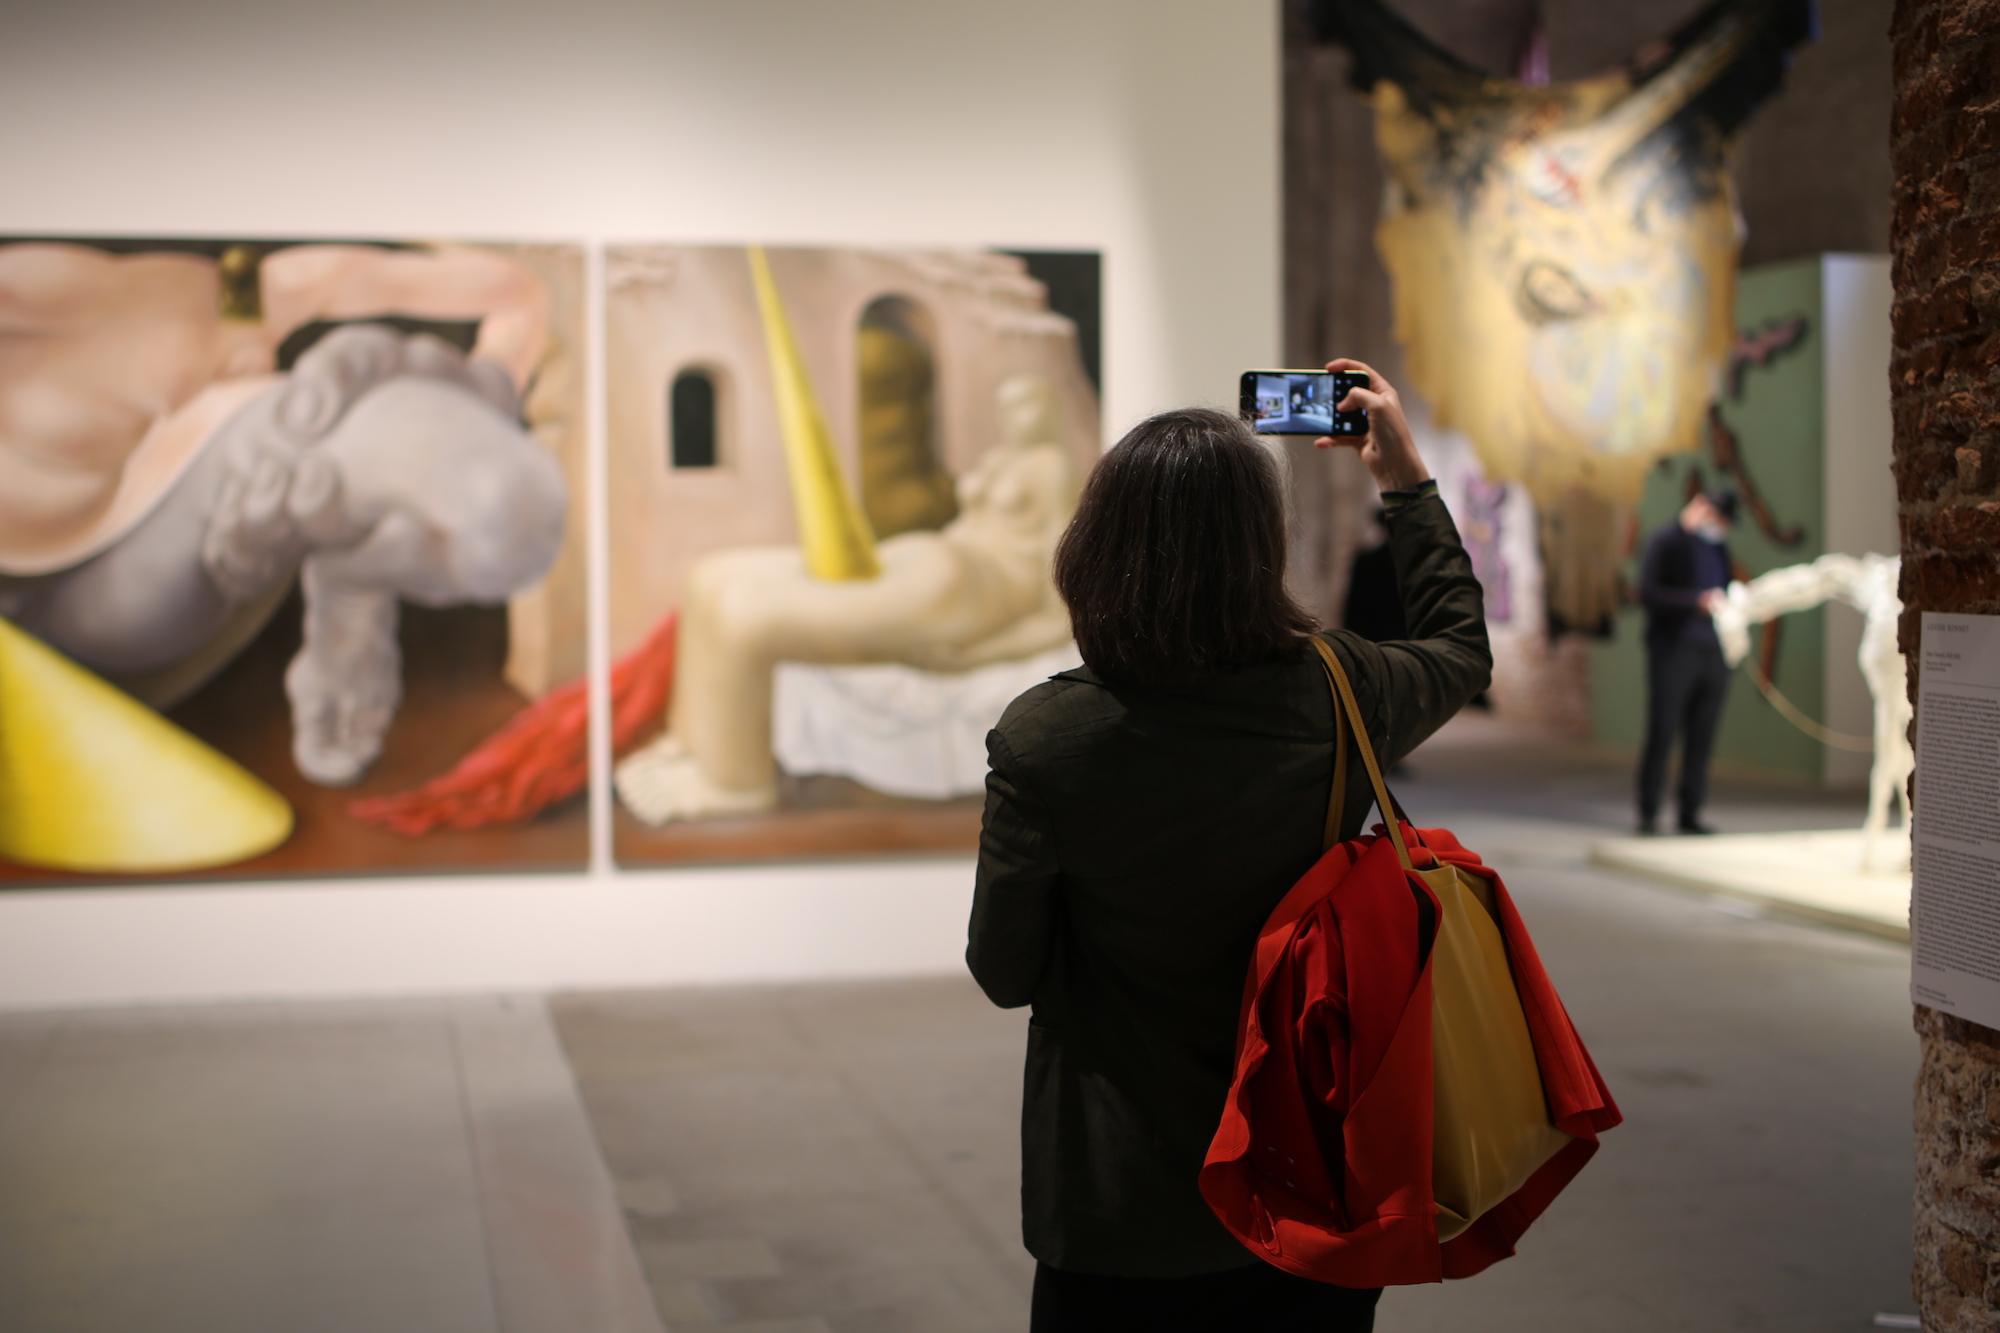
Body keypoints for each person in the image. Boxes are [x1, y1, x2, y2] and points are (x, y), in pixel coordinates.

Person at [966, 360, 1490, 1332]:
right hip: (1310, 1194)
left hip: (1120, 1212)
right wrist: (1402, 478)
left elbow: (1002, 968)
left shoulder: (1044, 738)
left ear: (1095, 546)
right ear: (1262, 549)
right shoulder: (1341, 690)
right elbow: (1461, 644)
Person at [615, 373, 1080, 821]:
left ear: (1050, 410)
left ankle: (735, 784)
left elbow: (1057, 607)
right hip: (935, 557)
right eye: (1010, 405)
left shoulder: (1055, 469)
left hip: (967, 588)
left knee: (745, 616)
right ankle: (695, 744)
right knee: (711, 577)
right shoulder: (1006, 460)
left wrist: (971, 656)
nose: (1017, 416)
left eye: (1029, 402)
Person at [1635, 488, 1739, 835]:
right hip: (1673, 649)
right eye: (1721, 519)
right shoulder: (1665, 541)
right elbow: (1648, 592)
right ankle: (1649, 810)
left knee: (1702, 734)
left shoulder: (1717, 546)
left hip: (1713, 651)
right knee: (1663, 730)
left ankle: (1689, 811)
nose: (1722, 527)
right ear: (1704, 508)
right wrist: (1695, 601)